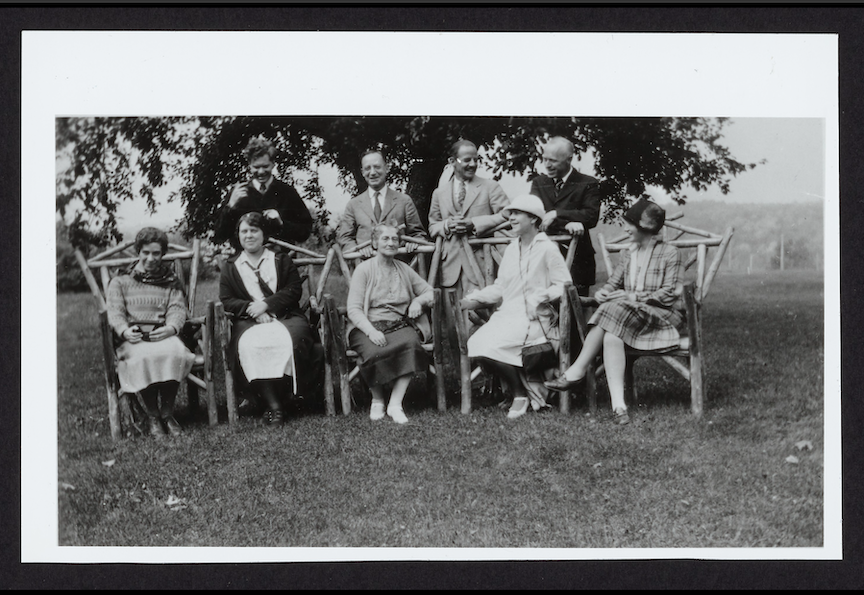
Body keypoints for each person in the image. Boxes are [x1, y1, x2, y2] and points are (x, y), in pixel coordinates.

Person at [544, 198, 681, 425]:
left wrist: (632, 297)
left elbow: (669, 293)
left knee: (614, 308)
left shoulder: (670, 253)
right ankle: (619, 407)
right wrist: (603, 293)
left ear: (644, 227)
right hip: (628, 318)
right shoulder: (629, 254)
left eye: (630, 224)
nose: (625, 229)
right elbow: (613, 283)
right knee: (611, 335)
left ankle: (577, 370)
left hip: (662, 316)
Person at [460, 195, 572, 419]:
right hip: (508, 314)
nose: (511, 218)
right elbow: (501, 287)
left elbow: (564, 285)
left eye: (517, 213)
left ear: (533, 218)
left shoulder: (548, 248)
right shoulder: (512, 249)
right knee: (476, 343)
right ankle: (518, 391)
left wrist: (541, 296)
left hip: (536, 317)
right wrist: (475, 298)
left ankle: (520, 395)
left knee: (494, 345)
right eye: (510, 214)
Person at [219, 212, 324, 426]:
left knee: (295, 342)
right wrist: (252, 309)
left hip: (286, 316)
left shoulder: (280, 259)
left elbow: (294, 289)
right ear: (238, 235)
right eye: (244, 231)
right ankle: (274, 404)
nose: (249, 235)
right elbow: (227, 300)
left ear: (264, 234)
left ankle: (289, 395)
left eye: (254, 230)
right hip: (250, 320)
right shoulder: (231, 266)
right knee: (250, 346)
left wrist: (267, 304)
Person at [106, 227, 196, 437]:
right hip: (133, 338)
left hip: (162, 333)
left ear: (162, 254)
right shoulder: (120, 280)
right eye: (145, 252)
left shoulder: (170, 280)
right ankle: (153, 415)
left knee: (176, 353)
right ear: (138, 251)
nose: (150, 258)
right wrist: (124, 331)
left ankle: (167, 413)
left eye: (156, 253)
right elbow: (115, 312)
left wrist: (171, 328)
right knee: (144, 357)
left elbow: (177, 309)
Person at [346, 221, 435, 424]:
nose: (391, 243)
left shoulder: (404, 269)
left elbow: (430, 292)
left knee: (411, 345)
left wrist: (418, 301)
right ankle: (377, 400)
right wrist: (370, 331)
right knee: (372, 351)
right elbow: (354, 309)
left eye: (395, 239)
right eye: (385, 238)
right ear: (375, 243)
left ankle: (395, 403)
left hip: (398, 323)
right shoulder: (363, 270)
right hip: (366, 325)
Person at [428, 139, 512, 296]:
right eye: (467, 160)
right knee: (451, 310)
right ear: (452, 161)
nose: (473, 164)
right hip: (448, 269)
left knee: (480, 309)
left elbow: (508, 216)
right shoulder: (439, 193)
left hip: (481, 266)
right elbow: (433, 226)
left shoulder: (490, 187)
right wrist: (446, 225)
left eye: (476, 159)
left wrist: (474, 223)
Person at [529, 136, 601, 297]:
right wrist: (569, 222)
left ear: (569, 159)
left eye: (553, 161)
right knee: (543, 305)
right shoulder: (539, 183)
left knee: (577, 307)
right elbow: (534, 217)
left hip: (578, 261)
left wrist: (557, 214)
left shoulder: (588, 183)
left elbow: (591, 216)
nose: (547, 165)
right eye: (545, 159)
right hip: (543, 259)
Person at [215, 136, 314, 250]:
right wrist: (230, 206)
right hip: (245, 259)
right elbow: (220, 235)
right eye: (256, 167)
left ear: (273, 164)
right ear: (249, 165)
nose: (261, 172)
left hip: (280, 259)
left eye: (265, 166)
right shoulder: (238, 192)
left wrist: (281, 223)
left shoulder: (287, 192)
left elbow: (305, 232)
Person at [336, 149, 427, 260]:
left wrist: (413, 243)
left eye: (377, 167)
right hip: (365, 266)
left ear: (386, 168)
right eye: (367, 168)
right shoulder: (353, 205)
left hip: (398, 266)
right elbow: (345, 238)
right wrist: (358, 249)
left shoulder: (404, 201)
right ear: (362, 172)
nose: (372, 172)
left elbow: (418, 235)